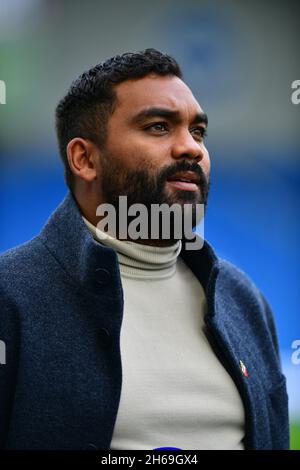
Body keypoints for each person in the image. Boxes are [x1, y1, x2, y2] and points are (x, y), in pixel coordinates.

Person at [0, 48, 289, 450]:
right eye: (158, 126)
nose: (191, 148)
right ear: (84, 158)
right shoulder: (11, 297)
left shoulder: (243, 300)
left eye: (198, 131)